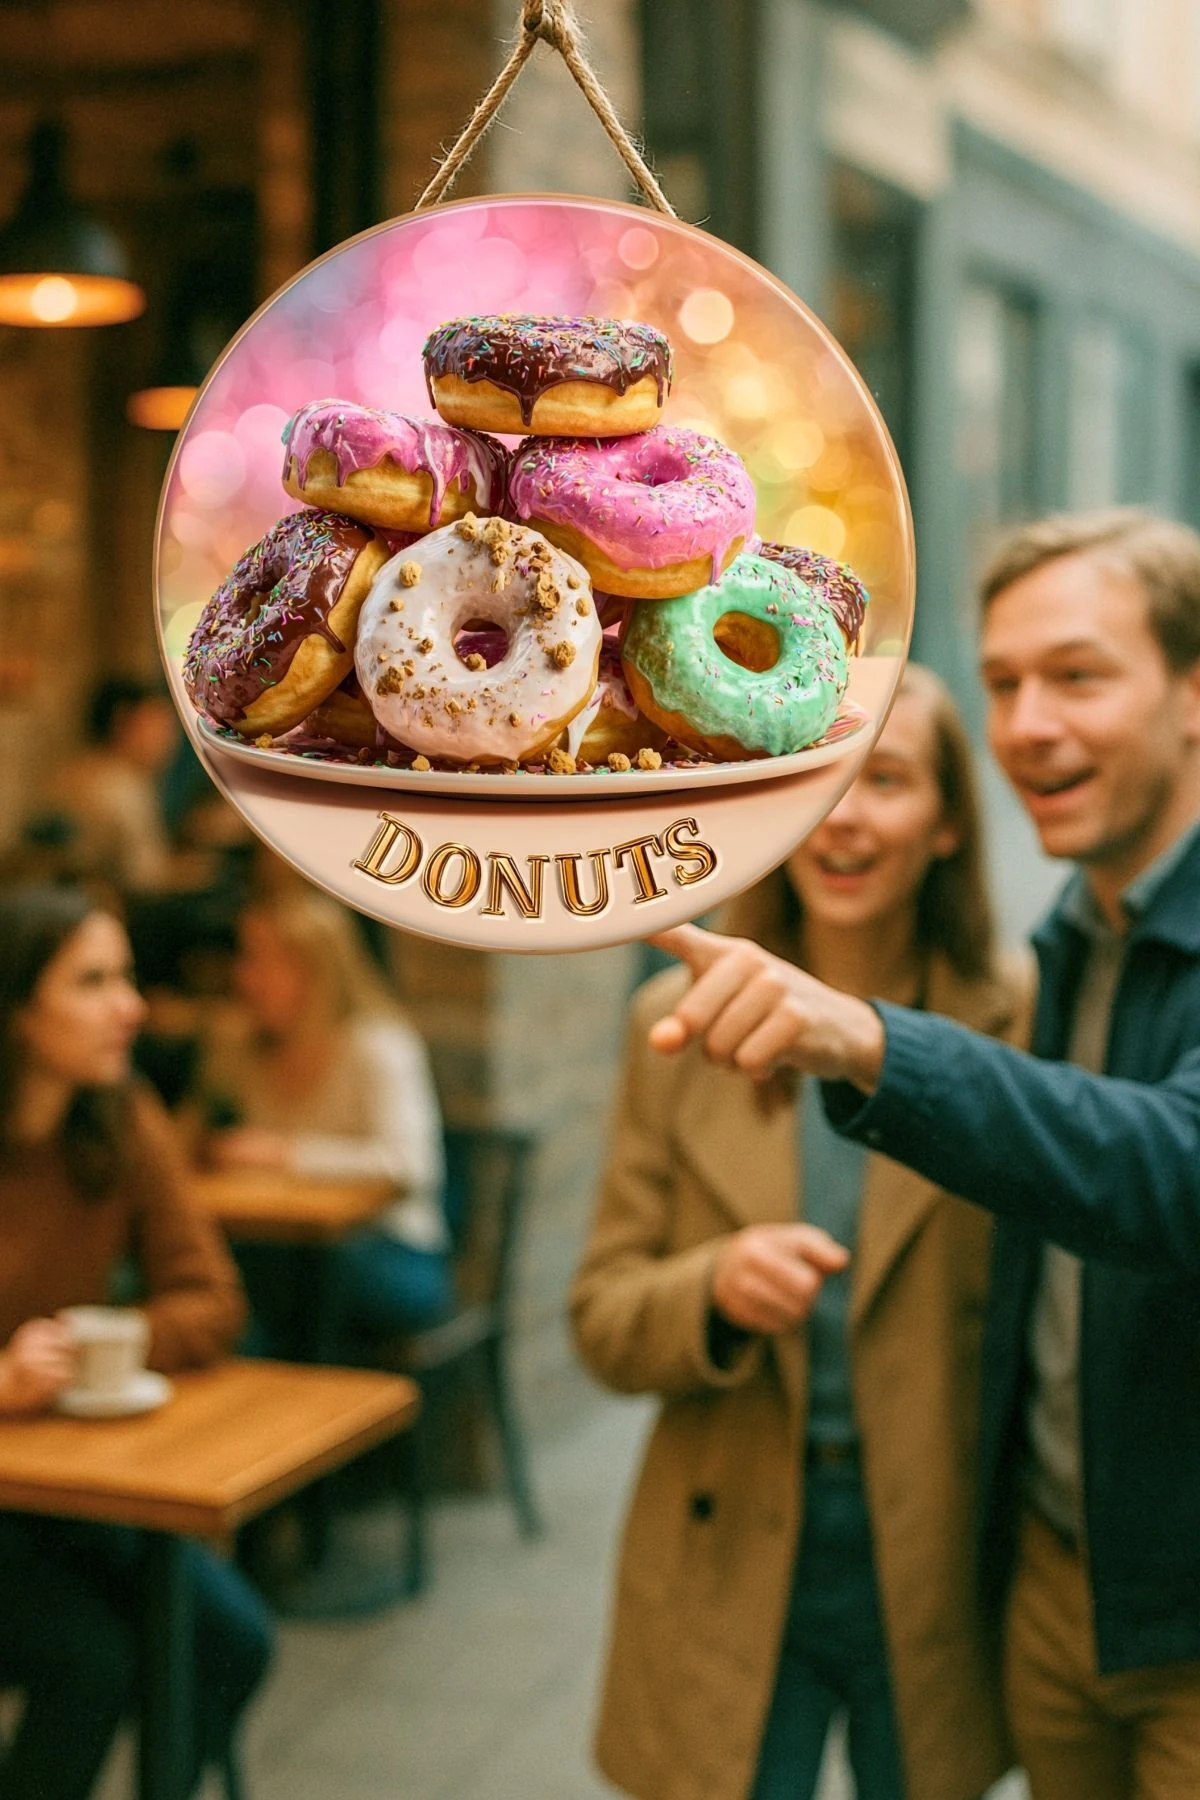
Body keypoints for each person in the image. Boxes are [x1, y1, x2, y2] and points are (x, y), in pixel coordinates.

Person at [648, 509, 1200, 1800]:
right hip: (1060, 1588)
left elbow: (1173, 1170)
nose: (1028, 723)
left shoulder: (1016, 974)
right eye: (1004, 682)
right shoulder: (1077, 940)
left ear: (1192, 696)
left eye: (1078, 675)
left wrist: (870, 1042)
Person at [571, 664, 1029, 1800]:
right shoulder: (672, 1023)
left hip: (936, 1550)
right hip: (729, 1537)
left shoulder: (1017, 1021)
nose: (847, 815)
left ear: (947, 827)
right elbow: (601, 1318)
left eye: (888, 778)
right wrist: (712, 1287)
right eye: (818, 776)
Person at [0, 885, 273, 1800]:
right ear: (17, 1010)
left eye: (125, 975)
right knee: (93, 1661)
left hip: (69, 1491)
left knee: (230, 1639)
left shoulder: (122, 1116)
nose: (134, 1005)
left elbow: (210, 1299)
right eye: (94, 981)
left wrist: (110, 1341)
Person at [199, 890, 451, 1356]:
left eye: (261, 962)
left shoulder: (376, 1047)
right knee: (221, 1273)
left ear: (313, 973)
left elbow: (410, 1166)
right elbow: (203, 1138)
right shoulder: (251, 1051)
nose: (244, 978)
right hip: (284, 1246)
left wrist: (286, 1153)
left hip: (392, 1251)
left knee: (301, 1278)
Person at [39, 676, 182, 895]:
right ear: (122, 723)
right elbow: (145, 878)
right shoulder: (120, 787)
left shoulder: (76, 770)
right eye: (159, 726)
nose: (169, 740)